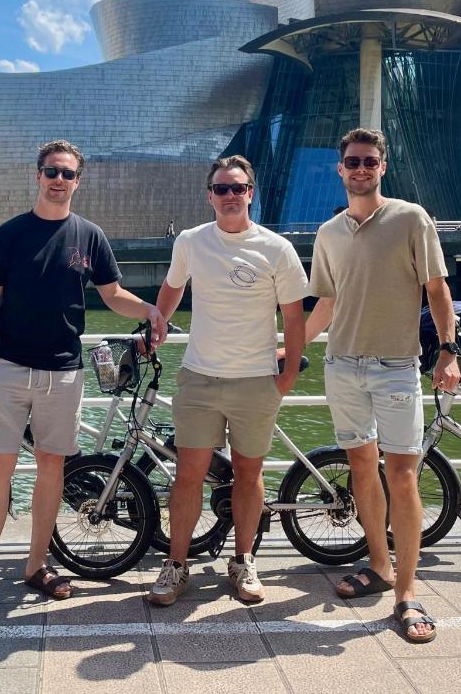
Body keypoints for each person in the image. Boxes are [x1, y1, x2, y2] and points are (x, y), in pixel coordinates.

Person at [0, 140, 167, 623]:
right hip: (7, 367)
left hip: (64, 371)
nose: (58, 180)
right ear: (38, 175)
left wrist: (149, 309)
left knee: (51, 469)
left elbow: (112, 294)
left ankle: (36, 566)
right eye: (51, 171)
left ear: (77, 181)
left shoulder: (89, 236)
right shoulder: (9, 234)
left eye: (67, 174)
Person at [304, 128, 461, 644]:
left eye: (370, 161)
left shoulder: (411, 218)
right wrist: (288, 348)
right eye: (352, 161)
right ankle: (379, 566)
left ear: (382, 167)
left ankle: (407, 593)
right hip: (341, 364)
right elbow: (324, 305)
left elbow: (436, 288)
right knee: (360, 468)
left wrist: (448, 350)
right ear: (340, 168)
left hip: (397, 365)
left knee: (403, 473)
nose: (361, 168)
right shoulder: (327, 233)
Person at [147, 156, 307, 606]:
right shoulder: (192, 241)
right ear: (210, 196)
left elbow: (294, 317)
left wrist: (289, 372)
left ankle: (243, 560)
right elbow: (173, 286)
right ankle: (176, 565)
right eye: (221, 189)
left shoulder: (276, 249)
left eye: (238, 188)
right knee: (188, 476)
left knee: (248, 474)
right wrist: (159, 323)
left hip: (255, 379)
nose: (230, 196)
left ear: (251, 193)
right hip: (199, 377)